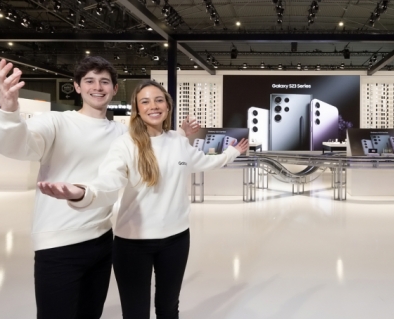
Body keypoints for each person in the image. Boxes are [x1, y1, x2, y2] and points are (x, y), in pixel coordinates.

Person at [0, 57, 199, 319]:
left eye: (104, 82)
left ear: (114, 88)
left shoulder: (122, 134)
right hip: (59, 243)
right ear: (77, 86)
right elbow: (17, 146)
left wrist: (182, 134)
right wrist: (8, 111)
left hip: (102, 241)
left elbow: (158, 144)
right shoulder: (56, 122)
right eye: (89, 81)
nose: (97, 87)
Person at [38, 80, 248, 319]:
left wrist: (232, 152)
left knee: (169, 308)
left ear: (168, 106)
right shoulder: (125, 144)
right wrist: (82, 192)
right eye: (145, 102)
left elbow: (205, 161)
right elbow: (109, 180)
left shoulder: (179, 141)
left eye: (159, 100)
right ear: (137, 109)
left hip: (176, 240)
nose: (153, 106)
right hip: (133, 244)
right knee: (135, 313)